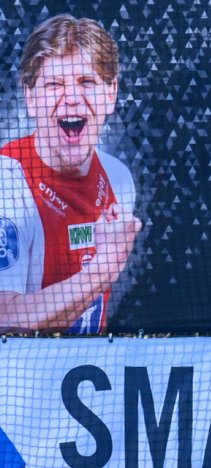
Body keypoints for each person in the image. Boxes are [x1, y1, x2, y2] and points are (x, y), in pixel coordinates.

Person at [0, 14, 141, 334]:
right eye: (55, 85)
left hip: (88, 365)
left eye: (86, 82)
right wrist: (101, 272)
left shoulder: (118, 178)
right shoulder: (7, 180)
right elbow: (4, 315)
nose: (72, 98)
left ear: (111, 93)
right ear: (31, 98)